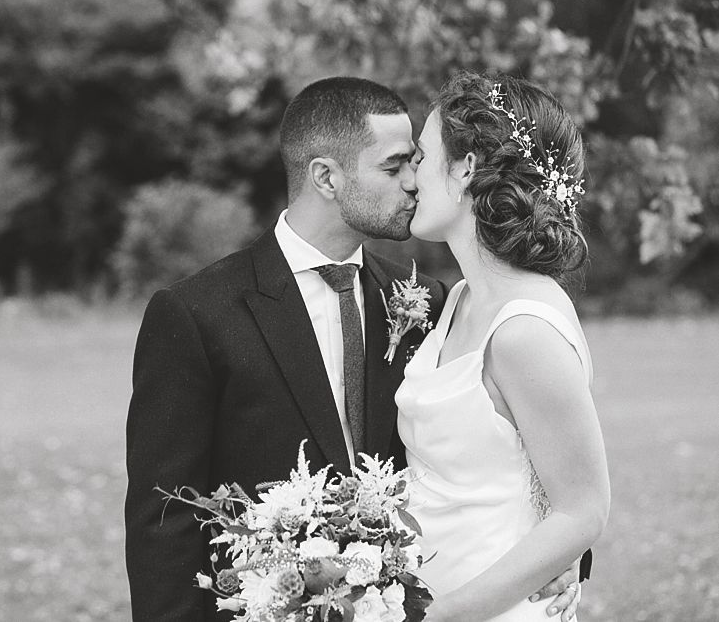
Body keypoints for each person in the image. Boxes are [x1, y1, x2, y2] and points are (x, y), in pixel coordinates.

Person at [124, 76, 583, 621]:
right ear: (326, 177)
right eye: (393, 168)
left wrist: (562, 554)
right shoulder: (197, 313)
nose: (413, 182)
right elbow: (162, 518)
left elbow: (529, 447)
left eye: (416, 161)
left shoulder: (427, 303)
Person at [397, 71, 611, 621]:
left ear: (466, 167)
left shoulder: (524, 329)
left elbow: (583, 509)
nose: (410, 175)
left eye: (421, 156)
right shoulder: (460, 299)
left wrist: (438, 616)